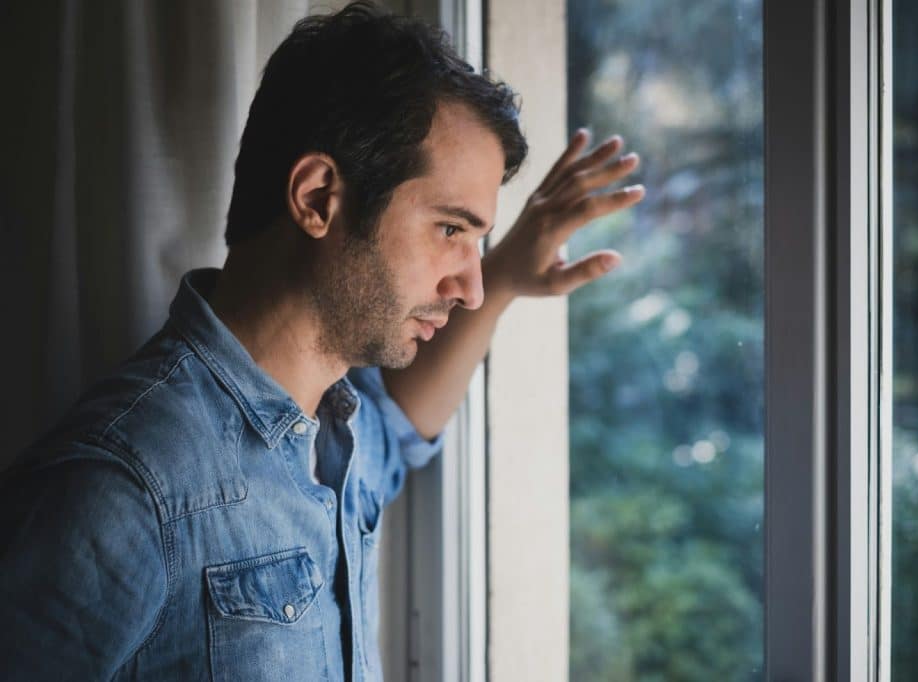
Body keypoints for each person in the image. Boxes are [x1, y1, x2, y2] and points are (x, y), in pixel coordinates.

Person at [0, 2, 643, 680]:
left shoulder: (337, 432)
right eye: (451, 230)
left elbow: (399, 427)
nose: (470, 286)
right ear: (317, 199)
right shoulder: (118, 488)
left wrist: (510, 271)